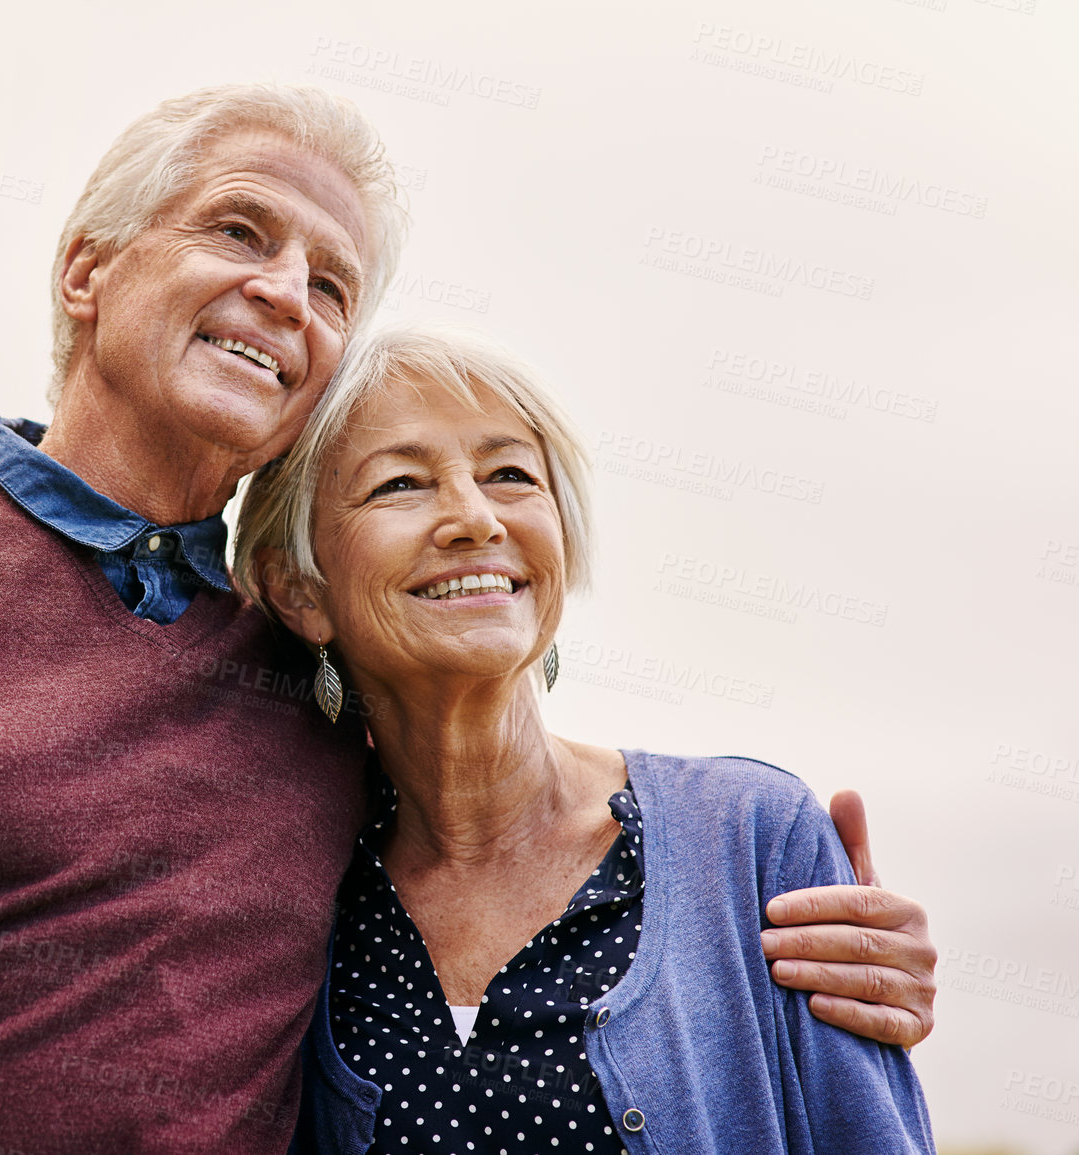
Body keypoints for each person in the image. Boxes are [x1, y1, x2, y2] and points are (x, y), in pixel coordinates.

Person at [0, 85, 934, 1154]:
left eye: (328, 284)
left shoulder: (309, 679)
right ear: (86, 270)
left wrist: (777, 899)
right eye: (238, 229)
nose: (280, 294)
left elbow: (511, 803)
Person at [234, 324, 935, 1154]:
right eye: (399, 484)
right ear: (297, 589)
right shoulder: (288, 890)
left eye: (508, 474)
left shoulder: (751, 840)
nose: (473, 516)